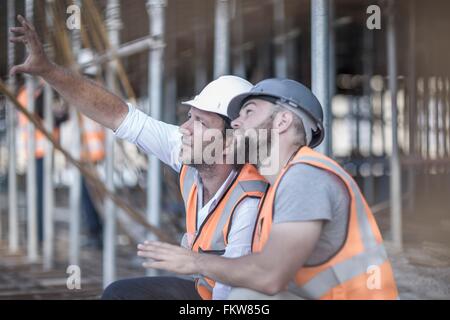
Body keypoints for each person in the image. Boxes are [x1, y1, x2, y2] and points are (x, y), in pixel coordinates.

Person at [9, 15, 268, 300]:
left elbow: (233, 294)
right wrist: (49, 70)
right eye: (190, 117)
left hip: (235, 301)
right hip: (204, 288)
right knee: (119, 294)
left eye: (202, 123)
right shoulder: (190, 155)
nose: (185, 129)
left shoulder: (249, 201)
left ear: (231, 141)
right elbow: (120, 115)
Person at [136, 78, 399, 300]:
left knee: (244, 299)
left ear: (282, 121)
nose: (236, 122)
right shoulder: (277, 184)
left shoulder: (305, 177)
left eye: (248, 112)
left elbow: (269, 276)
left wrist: (195, 261)